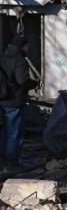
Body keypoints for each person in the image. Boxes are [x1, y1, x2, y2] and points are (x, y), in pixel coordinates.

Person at [0, 35, 37, 173]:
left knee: (4, 133)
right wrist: (34, 83)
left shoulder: (3, 57)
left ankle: (3, 163)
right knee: (15, 134)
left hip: (2, 101)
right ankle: (12, 164)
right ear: (22, 46)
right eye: (27, 46)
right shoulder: (20, 60)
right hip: (14, 102)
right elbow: (23, 81)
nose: (28, 49)